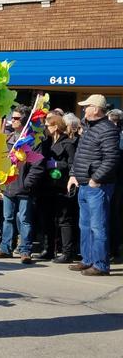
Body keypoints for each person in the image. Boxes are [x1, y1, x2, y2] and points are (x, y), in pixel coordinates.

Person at [67, 95, 120, 276]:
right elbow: (80, 155)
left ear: (96, 109)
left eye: (86, 106)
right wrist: (73, 175)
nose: (83, 109)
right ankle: (87, 260)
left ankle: (100, 264)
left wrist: (95, 179)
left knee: (98, 227)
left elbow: (111, 159)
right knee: (85, 225)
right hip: (83, 184)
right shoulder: (89, 128)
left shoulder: (108, 129)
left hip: (97, 186)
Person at [0, 105, 45, 264]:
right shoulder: (7, 138)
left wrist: (27, 184)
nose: (11, 121)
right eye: (11, 118)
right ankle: (5, 247)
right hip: (8, 186)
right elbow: (1, 162)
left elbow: (38, 166)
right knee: (7, 218)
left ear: (24, 120)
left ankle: (25, 250)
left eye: (15, 118)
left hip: (24, 187)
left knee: (24, 220)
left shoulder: (33, 140)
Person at [41, 112, 78, 263]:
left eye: (47, 126)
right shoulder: (47, 142)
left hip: (63, 185)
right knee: (48, 218)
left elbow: (72, 164)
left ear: (55, 127)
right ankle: (49, 249)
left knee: (64, 220)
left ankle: (67, 252)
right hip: (49, 186)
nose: (45, 129)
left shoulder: (68, 143)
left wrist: (56, 164)